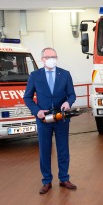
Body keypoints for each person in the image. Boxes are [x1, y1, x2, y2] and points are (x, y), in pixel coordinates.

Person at [24, 47, 77, 194]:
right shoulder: (35, 76)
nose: (51, 59)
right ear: (42, 59)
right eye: (48, 57)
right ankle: (46, 181)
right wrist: (37, 111)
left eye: (54, 56)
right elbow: (27, 97)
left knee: (63, 150)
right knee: (45, 151)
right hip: (44, 120)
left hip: (61, 119)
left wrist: (68, 103)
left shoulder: (65, 74)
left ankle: (64, 178)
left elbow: (71, 94)